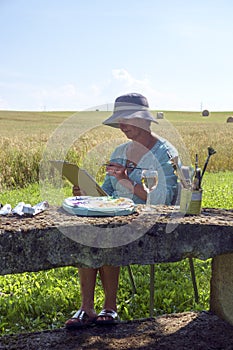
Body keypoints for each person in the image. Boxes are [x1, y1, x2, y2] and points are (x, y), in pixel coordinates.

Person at [65, 92, 178, 329]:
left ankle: (110, 307)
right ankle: (86, 308)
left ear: (145, 121)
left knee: (107, 233)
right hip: (115, 216)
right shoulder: (119, 151)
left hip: (149, 220)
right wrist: (87, 193)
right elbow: (107, 194)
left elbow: (164, 200)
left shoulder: (165, 154)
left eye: (129, 120)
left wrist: (128, 182)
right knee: (88, 231)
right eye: (120, 121)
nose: (123, 126)